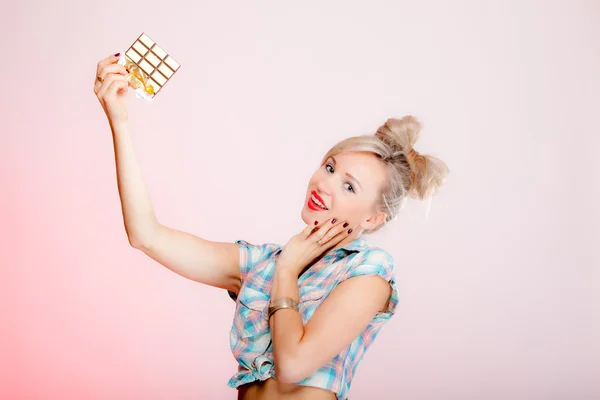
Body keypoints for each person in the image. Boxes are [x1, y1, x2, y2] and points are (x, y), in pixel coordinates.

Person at [94, 53, 449, 400]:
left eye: (349, 186)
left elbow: (293, 365)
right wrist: (119, 122)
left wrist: (289, 269)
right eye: (329, 167)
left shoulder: (368, 273)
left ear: (372, 218)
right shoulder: (261, 263)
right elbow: (146, 236)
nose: (324, 184)